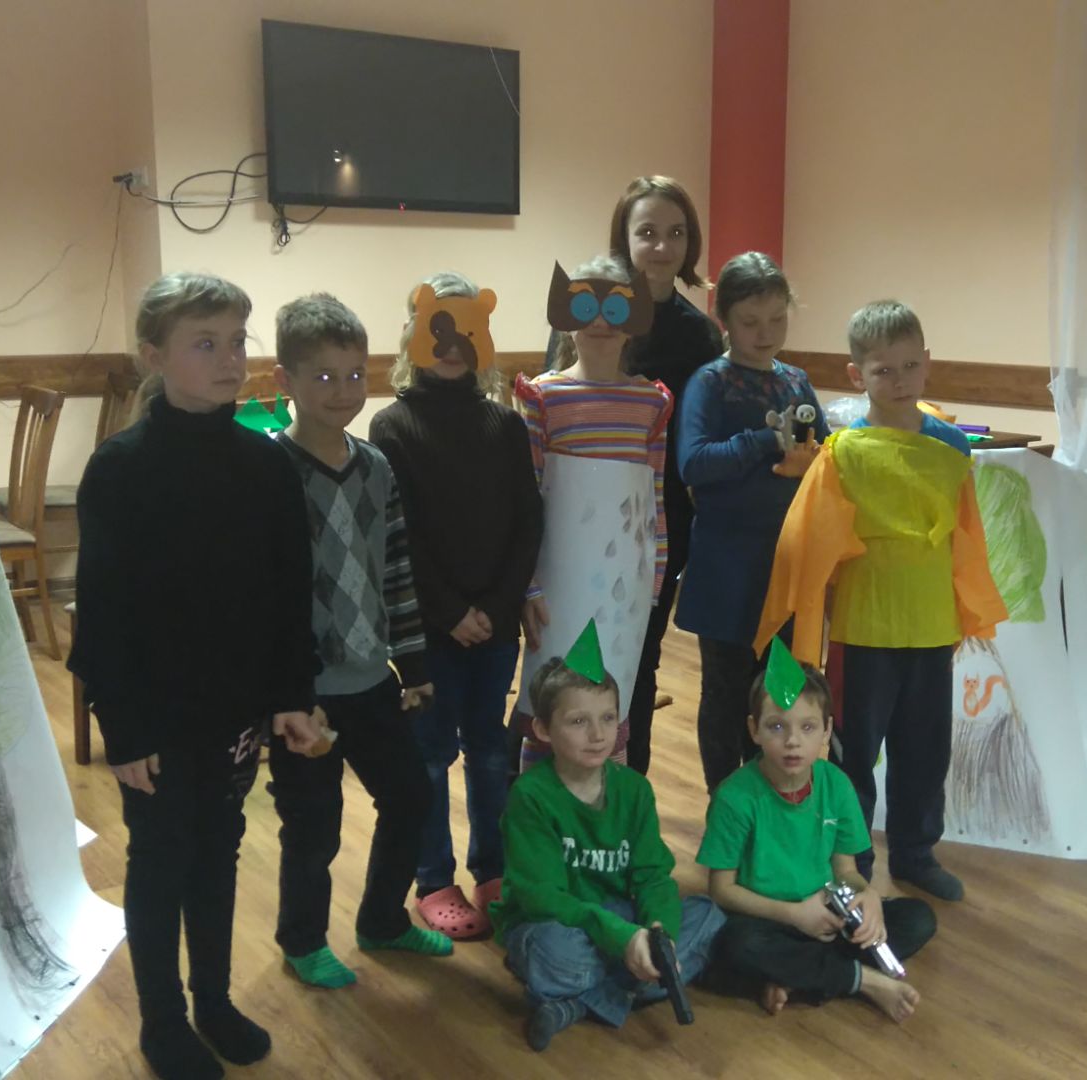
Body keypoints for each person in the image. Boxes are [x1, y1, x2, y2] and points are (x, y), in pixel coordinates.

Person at [70, 270, 325, 1080]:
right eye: (205, 344)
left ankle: (212, 1000)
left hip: (234, 708)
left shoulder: (265, 466)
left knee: (219, 849)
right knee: (161, 858)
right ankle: (162, 1019)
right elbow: (102, 613)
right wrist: (124, 729)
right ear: (154, 355)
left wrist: (292, 695)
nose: (229, 359)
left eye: (237, 341)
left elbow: (289, 592)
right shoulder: (121, 469)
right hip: (156, 714)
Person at [755, 300, 1009, 902]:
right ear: (856, 375)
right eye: (883, 371)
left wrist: (966, 609)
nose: (900, 381)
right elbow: (810, 543)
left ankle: (916, 853)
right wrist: (807, 621)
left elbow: (965, 537)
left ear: (928, 363)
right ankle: (852, 859)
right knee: (855, 751)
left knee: (925, 749)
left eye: (910, 366)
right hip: (864, 627)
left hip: (930, 625)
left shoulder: (951, 447)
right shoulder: (843, 452)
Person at [267, 292, 453, 989]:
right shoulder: (270, 472)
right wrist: (283, 694)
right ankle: (302, 939)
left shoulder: (376, 467)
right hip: (306, 693)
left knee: (410, 797)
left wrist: (414, 664)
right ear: (284, 380)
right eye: (322, 376)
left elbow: (398, 570)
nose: (342, 391)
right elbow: (263, 596)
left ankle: (381, 920)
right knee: (314, 824)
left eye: (353, 374)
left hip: (373, 680)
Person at [369, 272, 544, 940]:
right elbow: (403, 536)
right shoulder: (392, 427)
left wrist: (496, 607)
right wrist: (449, 613)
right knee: (431, 753)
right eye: (437, 328)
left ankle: (492, 869)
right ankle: (433, 878)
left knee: (490, 751)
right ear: (414, 333)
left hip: (493, 627)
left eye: (465, 330)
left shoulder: (505, 425)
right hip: (428, 631)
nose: (451, 345)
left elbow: (527, 521)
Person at [546, 176, 724, 773]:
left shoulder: (700, 334)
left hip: (656, 523)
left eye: (676, 233)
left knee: (637, 660)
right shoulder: (582, 311)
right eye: (647, 231)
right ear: (624, 238)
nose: (662, 246)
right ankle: (562, 793)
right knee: (567, 660)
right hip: (574, 526)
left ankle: (630, 790)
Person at [488, 627, 726, 1051]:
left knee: (708, 916)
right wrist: (624, 939)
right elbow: (541, 898)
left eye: (608, 718)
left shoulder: (634, 790)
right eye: (578, 721)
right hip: (554, 923)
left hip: (618, 916)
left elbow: (652, 876)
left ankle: (573, 1005)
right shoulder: (530, 796)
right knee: (552, 952)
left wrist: (659, 931)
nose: (598, 734)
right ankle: (627, 987)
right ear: (543, 729)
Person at [698, 645, 937, 1023]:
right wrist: (795, 914)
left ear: (826, 730)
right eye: (776, 727)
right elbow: (721, 890)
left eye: (807, 727)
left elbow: (846, 870)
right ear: (753, 730)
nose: (792, 741)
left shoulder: (836, 784)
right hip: (765, 918)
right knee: (735, 945)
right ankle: (860, 980)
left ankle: (793, 977)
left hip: (825, 914)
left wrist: (867, 895)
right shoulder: (735, 797)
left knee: (918, 918)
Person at [674, 251, 827, 793]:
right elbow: (693, 463)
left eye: (777, 319)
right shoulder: (710, 383)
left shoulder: (796, 381)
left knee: (781, 692)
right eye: (750, 322)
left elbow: (824, 453)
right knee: (725, 693)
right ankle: (726, 805)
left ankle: (770, 804)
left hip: (785, 565)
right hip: (726, 567)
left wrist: (818, 458)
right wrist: (764, 440)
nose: (766, 334)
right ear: (724, 320)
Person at [513, 254, 672, 768]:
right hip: (558, 582)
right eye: (586, 307)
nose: (601, 321)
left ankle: (606, 813)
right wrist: (528, 586)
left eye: (616, 308)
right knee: (551, 701)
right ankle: (538, 811)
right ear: (566, 317)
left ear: (635, 319)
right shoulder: (544, 397)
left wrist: (655, 578)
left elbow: (654, 494)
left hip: (626, 583)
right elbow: (528, 497)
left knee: (609, 704)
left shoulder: (650, 403)